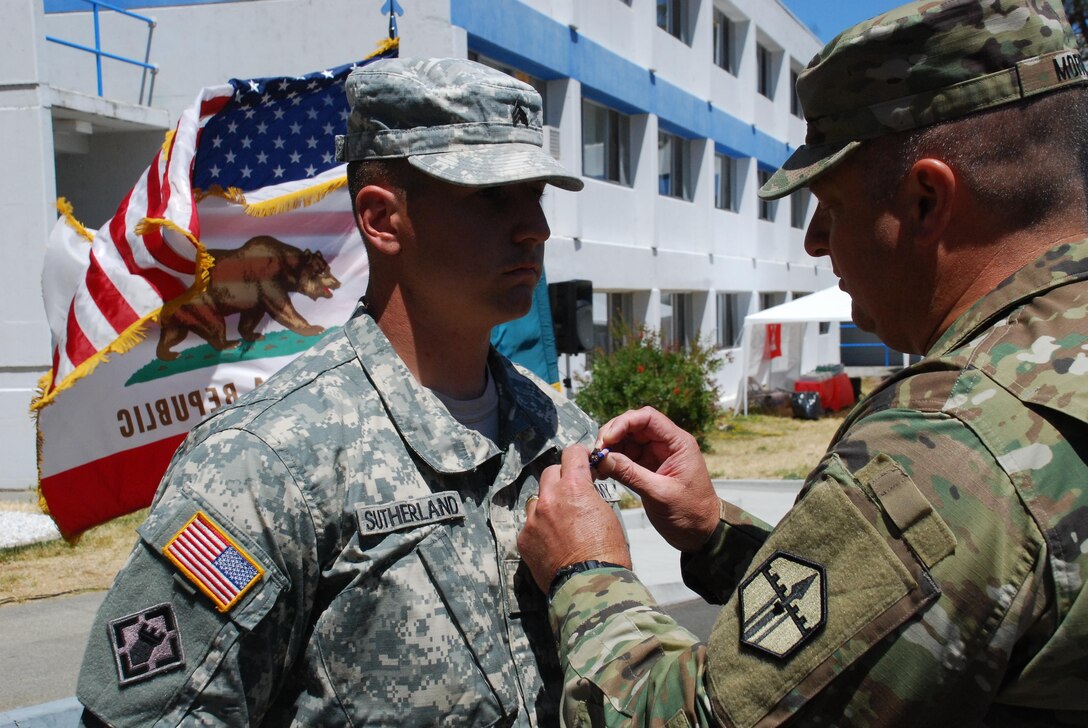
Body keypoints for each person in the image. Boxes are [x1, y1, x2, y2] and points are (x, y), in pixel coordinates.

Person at [519, 0, 1088, 725]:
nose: (816, 242)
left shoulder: (955, 447)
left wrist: (585, 574)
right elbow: (917, 610)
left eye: (830, 205)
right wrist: (718, 538)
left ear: (924, 201)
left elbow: (696, 718)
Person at [75, 57, 618, 726]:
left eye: (535, 192)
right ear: (382, 219)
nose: (534, 226)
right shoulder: (267, 464)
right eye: (489, 196)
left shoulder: (561, 435)